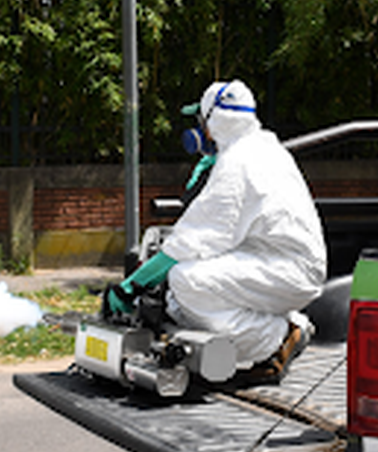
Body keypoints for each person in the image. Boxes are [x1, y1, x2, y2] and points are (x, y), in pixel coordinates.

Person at [104, 79, 327, 384]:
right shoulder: (264, 149)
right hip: (281, 264)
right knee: (186, 290)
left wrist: (130, 287)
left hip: (285, 270)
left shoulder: (237, 164)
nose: (200, 130)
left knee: (187, 280)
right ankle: (290, 323)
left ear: (214, 121)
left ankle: (278, 337)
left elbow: (189, 242)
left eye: (201, 120)